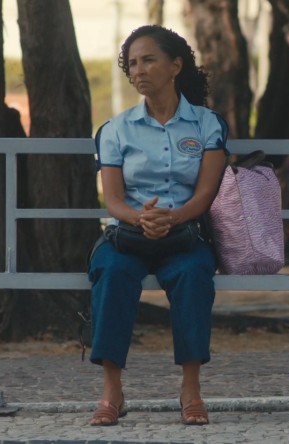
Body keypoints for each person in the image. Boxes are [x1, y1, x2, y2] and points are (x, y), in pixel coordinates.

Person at [87, 25, 227, 427]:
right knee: (110, 272)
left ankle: (191, 389)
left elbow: (206, 193)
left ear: (175, 65)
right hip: (129, 233)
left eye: (148, 60)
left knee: (194, 273)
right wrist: (142, 218)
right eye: (132, 64)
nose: (139, 71)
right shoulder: (116, 129)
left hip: (184, 234)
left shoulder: (206, 124)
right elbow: (112, 199)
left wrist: (174, 217)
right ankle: (112, 391)